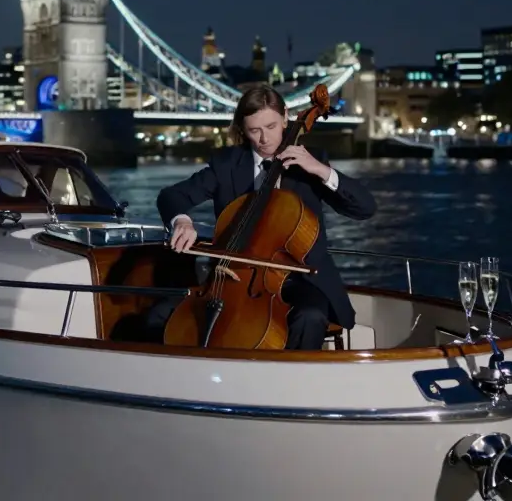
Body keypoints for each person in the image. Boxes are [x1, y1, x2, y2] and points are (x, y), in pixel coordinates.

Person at [155, 85, 377, 350]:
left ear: (285, 117)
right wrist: (181, 220)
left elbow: (365, 208)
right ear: (242, 128)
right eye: (254, 130)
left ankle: (293, 386)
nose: (264, 139)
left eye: (271, 127)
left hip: (300, 278)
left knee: (310, 316)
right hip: (232, 277)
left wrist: (320, 170)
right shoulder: (226, 165)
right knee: (160, 314)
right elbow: (171, 196)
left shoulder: (309, 164)